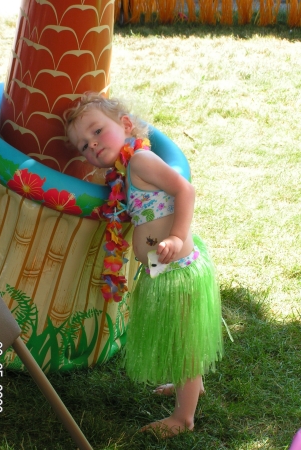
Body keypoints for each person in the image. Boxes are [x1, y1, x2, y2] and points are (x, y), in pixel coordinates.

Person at [64, 93, 223, 437]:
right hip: (162, 269)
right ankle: (190, 387)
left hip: (176, 269)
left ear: (123, 125)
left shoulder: (138, 161)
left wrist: (177, 237)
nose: (91, 145)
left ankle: (183, 418)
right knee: (180, 337)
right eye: (83, 146)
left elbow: (185, 190)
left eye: (97, 132)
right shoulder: (124, 171)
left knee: (184, 344)